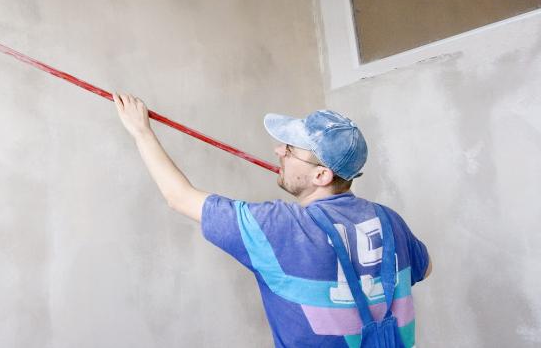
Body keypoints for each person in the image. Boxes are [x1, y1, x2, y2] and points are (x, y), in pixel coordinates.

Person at [113, 93, 431, 348]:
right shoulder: (389, 221)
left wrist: (141, 132)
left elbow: (179, 197)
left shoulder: (281, 228)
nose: (279, 151)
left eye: (290, 150)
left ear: (321, 175)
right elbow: (424, 268)